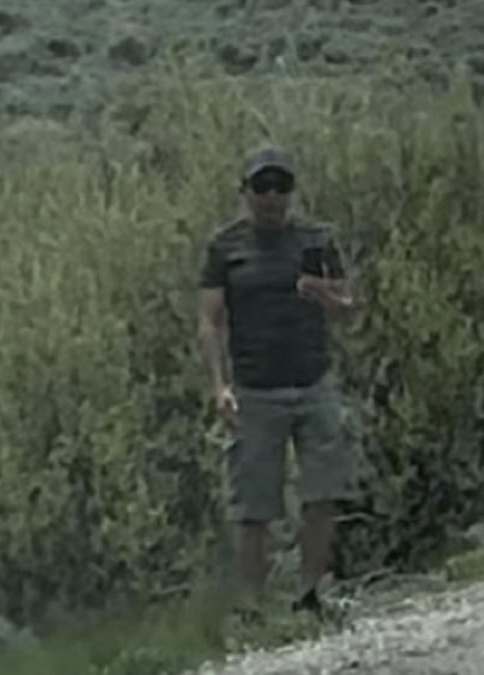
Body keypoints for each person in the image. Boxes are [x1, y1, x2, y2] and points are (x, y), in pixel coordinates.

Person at [197, 144, 360, 620]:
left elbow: (352, 308)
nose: (272, 197)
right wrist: (219, 385)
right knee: (254, 503)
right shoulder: (225, 247)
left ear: (292, 191)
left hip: (313, 382)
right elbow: (210, 320)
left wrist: (326, 295)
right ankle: (251, 606)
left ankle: (309, 595)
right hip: (255, 388)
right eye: (262, 187)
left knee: (324, 493)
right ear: (244, 191)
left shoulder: (316, 239)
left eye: (281, 186)